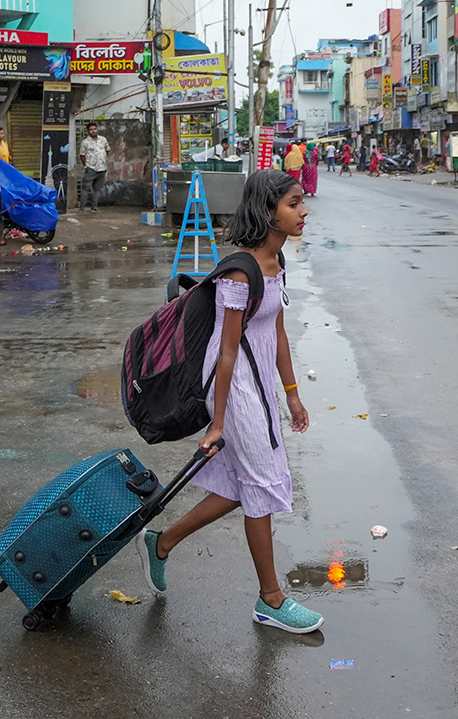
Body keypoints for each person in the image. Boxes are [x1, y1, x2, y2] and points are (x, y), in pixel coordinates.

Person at [135, 169, 322, 635]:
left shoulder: (277, 263)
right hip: (234, 381)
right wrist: (217, 422)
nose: (303, 212)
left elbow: (275, 331)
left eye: (302, 203)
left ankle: (161, 542)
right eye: (294, 204)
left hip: (258, 383)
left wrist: (293, 394)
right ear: (268, 210)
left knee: (243, 487)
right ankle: (271, 600)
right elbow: (227, 350)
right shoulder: (241, 270)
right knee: (260, 482)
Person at [78, 121, 111, 212]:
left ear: (97, 129)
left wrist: (102, 160)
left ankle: (94, 207)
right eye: (91, 130)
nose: (93, 131)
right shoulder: (85, 142)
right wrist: (87, 165)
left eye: (94, 129)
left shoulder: (103, 140)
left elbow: (107, 150)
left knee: (97, 189)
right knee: (86, 188)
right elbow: (82, 156)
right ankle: (82, 208)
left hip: (102, 168)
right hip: (91, 168)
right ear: (88, 131)